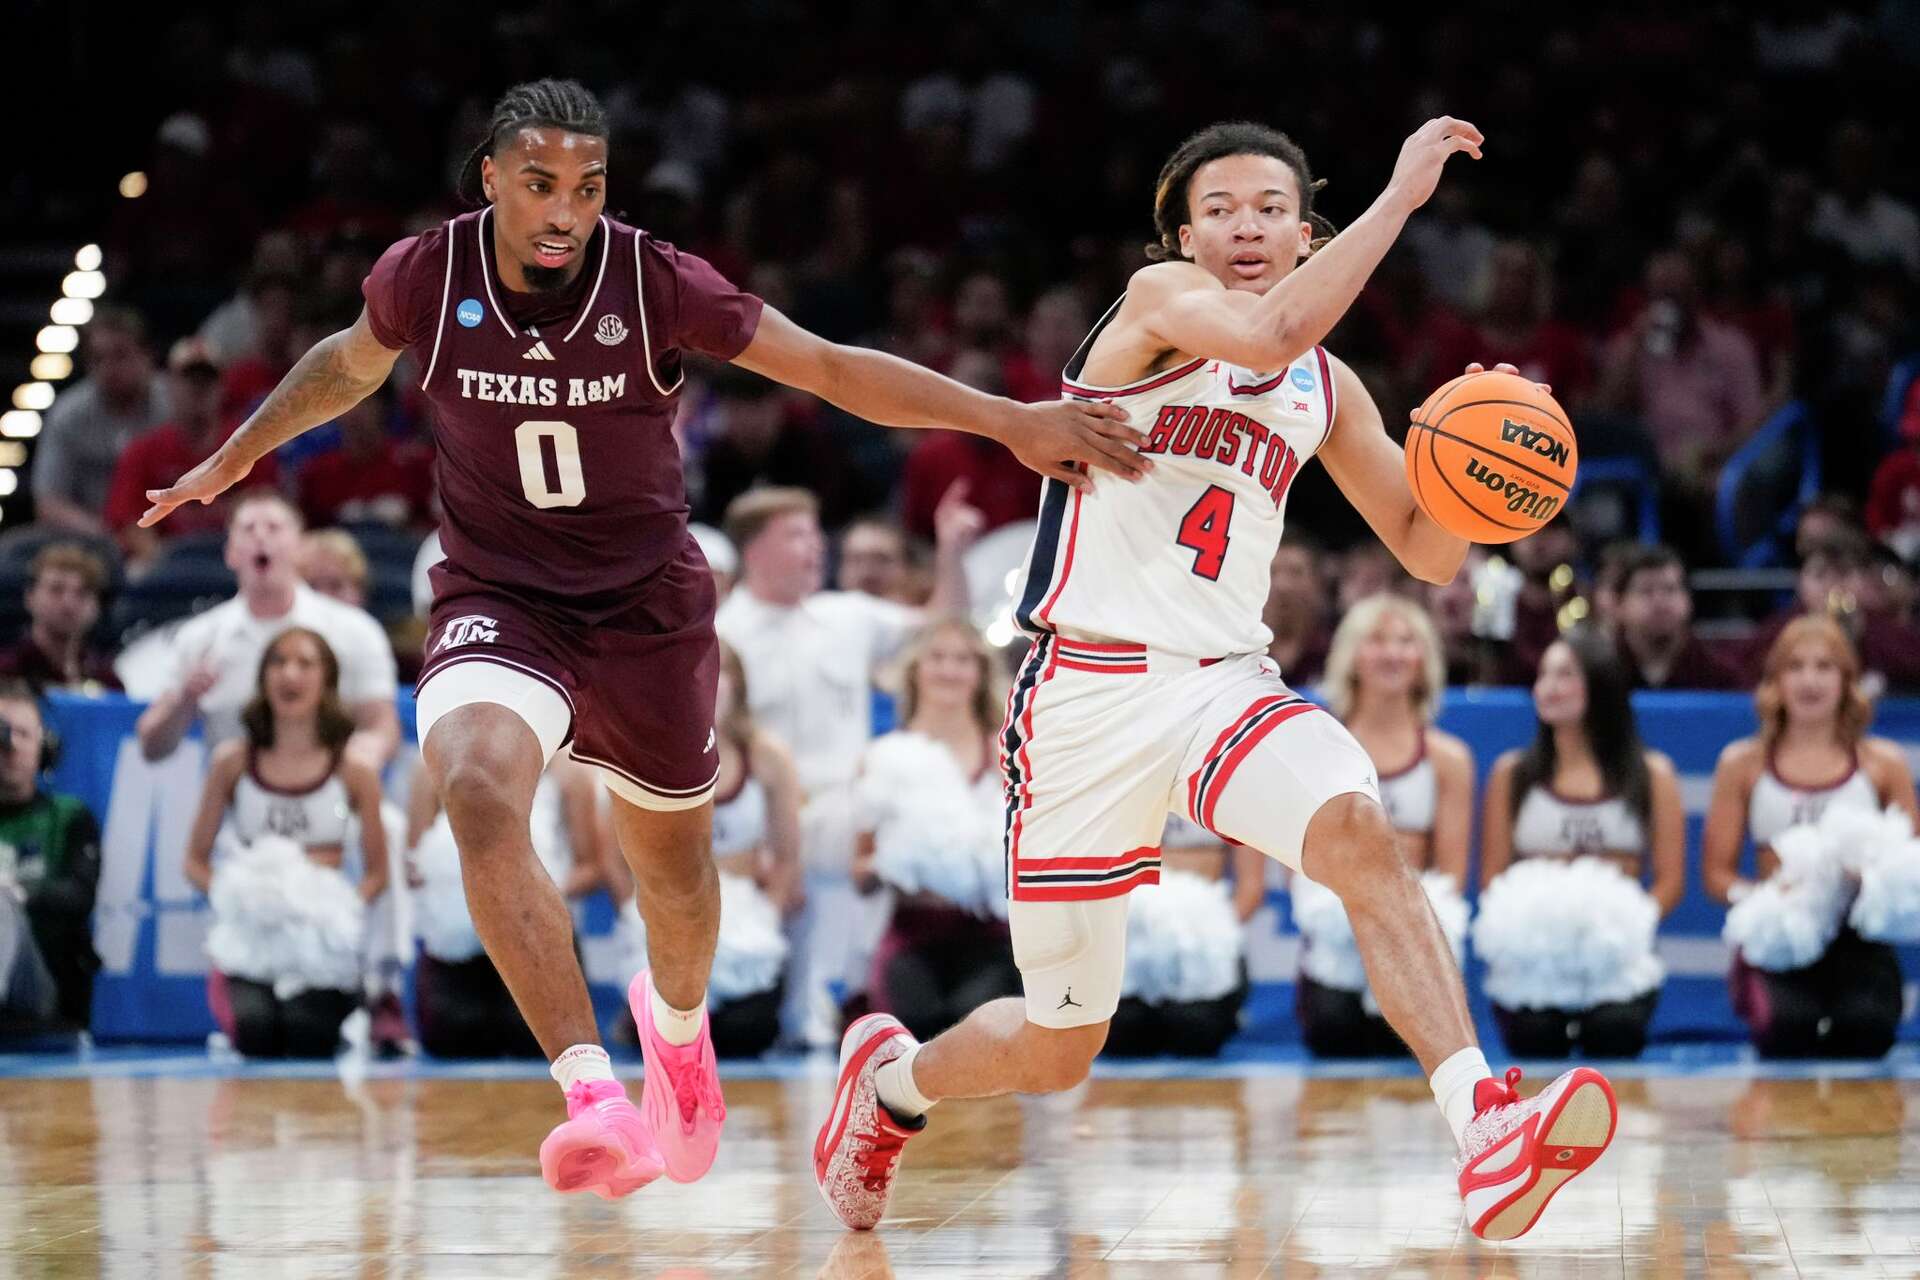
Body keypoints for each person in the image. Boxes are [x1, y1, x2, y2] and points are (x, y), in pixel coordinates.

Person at [139, 78, 1144, 1200]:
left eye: (588, 186)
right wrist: (235, 456)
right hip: (499, 593)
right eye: (540, 184)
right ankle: (592, 1096)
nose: (566, 209)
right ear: (491, 180)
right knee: (475, 785)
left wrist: (1009, 420)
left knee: (676, 881)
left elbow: (828, 367)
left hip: (644, 611)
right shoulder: (428, 273)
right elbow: (344, 360)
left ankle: (675, 1030)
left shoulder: (654, 279)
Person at [813, 116, 1621, 1245]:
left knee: (1359, 831)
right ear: (1184, 236)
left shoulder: (1324, 386)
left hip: (1223, 683)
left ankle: (1483, 1124)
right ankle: (892, 1084)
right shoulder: (1158, 306)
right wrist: (1402, 195)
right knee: (1061, 1042)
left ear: (1304, 232)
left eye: (1271, 208)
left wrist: (1473, 470)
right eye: (1222, 210)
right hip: (1085, 692)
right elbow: (1268, 330)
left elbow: (1425, 548)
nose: (1247, 227)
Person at [716, 485, 982, 1048]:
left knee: (876, 830)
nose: (817, 547)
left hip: (842, 808)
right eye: (797, 535)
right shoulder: (719, 634)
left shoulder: (848, 616)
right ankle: (769, 1004)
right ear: (755, 549)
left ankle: (846, 1001)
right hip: (758, 814)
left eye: (817, 534)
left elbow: (943, 621)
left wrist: (950, 550)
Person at [1703, 617, 1917, 1058]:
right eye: (1795, 667)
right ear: (1775, 682)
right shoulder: (1742, 764)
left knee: (1865, 1031)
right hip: (1780, 941)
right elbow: (1716, 876)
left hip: (1858, 938)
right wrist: (1765, 897)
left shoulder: (1884, 764)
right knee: (1787, 1030)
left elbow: (1912, 870)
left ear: (1847, 680)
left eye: (1824, 666)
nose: (1810, 681)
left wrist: (1871, 881)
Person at [181, 629, 390, 1057]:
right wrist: (241, 898)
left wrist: (336, 912)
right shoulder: (233, 761)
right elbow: (194, 861)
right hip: (252, 935)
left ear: (327, 680)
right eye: (278, 662)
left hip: (319, 940)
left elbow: (378, 873)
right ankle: (229, 982)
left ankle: (356, 1001)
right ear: (262, 677)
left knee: (308, 1035)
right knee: (256, 1032)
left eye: (305, 663)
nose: (289, 674)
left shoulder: (354, 770)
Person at [1477, 631, 1685, 1058]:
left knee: (1614, 1032)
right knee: (1535, 1036)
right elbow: (1493, 879)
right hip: (1534, 963)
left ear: (1601, 684)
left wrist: (1625, 928)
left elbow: (1670, 881)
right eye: (1544, 675)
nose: (1549, 687)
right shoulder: (1512, 774)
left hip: (1616, 960)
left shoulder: (1652, 774)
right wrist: (1531, 932)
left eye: (1565, 675)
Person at [1297, 595, 1473, 1057]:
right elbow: (1297, 858)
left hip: (1413, 935)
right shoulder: (1318, 750)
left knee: (1412, 1048)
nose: (1393, 653)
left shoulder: (1448, 759)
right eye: (1377, 640)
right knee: (1334, 1029)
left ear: (1424, 660)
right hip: (1336, 937)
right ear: (1352, 657)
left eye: (1406, 641)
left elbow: (1452, 875)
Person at [134, 493, 399, 769]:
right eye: (248, 529)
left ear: (299, 548)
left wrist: (351, 768)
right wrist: (184, 701)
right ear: (230, 553)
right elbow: (151, 747)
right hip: (232, 790)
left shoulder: (354, 630)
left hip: (331, 786)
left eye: (274, 528)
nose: (260, 536)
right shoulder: (200, 637)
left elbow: (381, 727)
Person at [853, 619, 1018, 1043]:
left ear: (980, 672)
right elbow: (859, 872)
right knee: (917, 1026)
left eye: (962, 660)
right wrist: (894, 865)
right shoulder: (883, 756)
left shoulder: (1008, 755)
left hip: (993, 936)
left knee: (978, 1028)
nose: (949, 670)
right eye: (937, 658)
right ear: (915, 670)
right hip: (913, 933)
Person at [407, 754, 605, 1059]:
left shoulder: (570, 775)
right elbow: (414, 864)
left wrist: (537, 894)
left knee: (539, 1042)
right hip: (456, 949)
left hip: (539, 942)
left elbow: (590, 868)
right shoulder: (432, 767)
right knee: (453, 1038)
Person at [104, 338, 281, 564]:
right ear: (169, 386)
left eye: (207, 380)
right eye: (189, 380)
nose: (198, 389)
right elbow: (127, 520)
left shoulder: (251, 444)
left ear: (222, 386)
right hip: (167, 562)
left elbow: (270, 505)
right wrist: (161, 563)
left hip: (237, 559)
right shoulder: (143, 451)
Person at [1103, 813, 1264, 1057]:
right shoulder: (1113, 795)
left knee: (1197, 1033)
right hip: (1132, 934)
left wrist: (1216, 935)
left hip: (1202, 938)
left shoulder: (1232, 796)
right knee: (1122, 1035)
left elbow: (1251, 888)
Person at [0, 682, 101, 1032]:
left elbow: (80, 896)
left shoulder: (68, 816)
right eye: (3, 733)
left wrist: (16, 894)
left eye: (23, 734)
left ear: (46, 747)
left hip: (43, 983)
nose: (10, 746)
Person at [30, 307, 169, 535]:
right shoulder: (68, 415)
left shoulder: (174, 405)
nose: (108, 368)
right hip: (92, 535)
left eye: (120, 355)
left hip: (166, 535)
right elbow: (49, 503)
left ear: (147, 355)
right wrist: (106, 535)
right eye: (97, 359)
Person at [1609, 544, 1741, 690]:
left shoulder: (1721, 677)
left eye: (1670, 589)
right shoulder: (1597, 672)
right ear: (1619, 604)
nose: (1660, 602)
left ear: (1689, 600)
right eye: (1646, 591)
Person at [0, 543, 120, 694]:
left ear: (97, 605)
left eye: (82, 593)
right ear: (30, 597)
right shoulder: (8, 671)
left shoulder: (107, 679)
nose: (69, 603)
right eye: (56, 589)